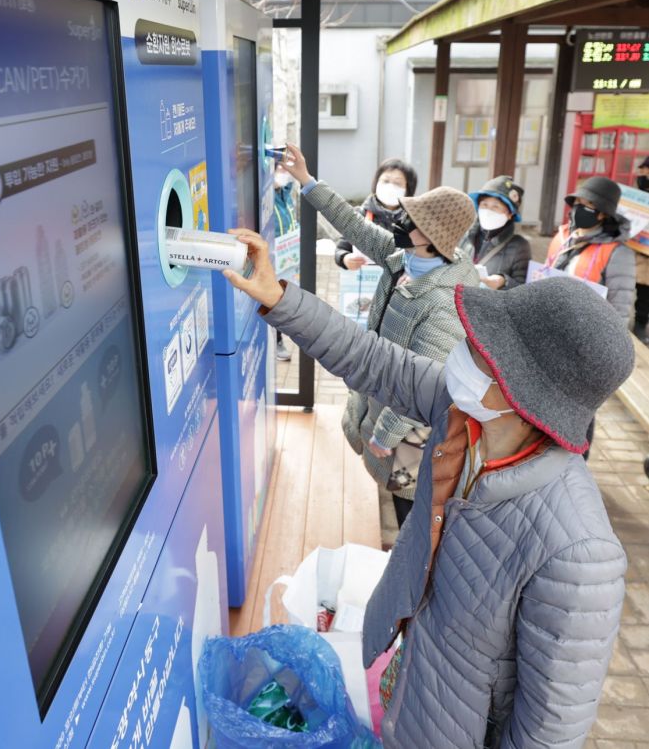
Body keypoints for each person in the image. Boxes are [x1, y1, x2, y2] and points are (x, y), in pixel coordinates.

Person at [224, 228, 633, 749]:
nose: (465, 351)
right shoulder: (462, 413)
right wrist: (280, 298)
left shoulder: (581, 552)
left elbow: (552, 728)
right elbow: (371, 359)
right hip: (405, 675)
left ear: (525, 391)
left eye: (485, 350)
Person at [287, 143, 478, 529]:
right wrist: (306, 181)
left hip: (414, 427)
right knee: (395, 492)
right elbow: (353, 225)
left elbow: (423, 383)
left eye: (413, 219)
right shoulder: (403, 256)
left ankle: (413, 569)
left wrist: (386, 435)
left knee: (412, 502)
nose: (403, 221)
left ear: (434, 237)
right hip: (386, 394)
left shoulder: (444, 303)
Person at [546, 175, 636, 324]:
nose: (577, 209)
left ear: (602, 214)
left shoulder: (619, 253)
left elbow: (620, 309)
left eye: (586, 204)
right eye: (576, 202)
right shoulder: (562, 236)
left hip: (586, 331)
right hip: (550, 322)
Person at [334, 159, 417, 270]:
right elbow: (341, 249)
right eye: (385, 181)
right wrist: (345, 258)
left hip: (402, 284)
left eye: (397, 183)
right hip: (364, 282)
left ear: (408, 189)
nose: (390, 187)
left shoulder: (415, 220)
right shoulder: (359, 215)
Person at [460, 175, 531, 289]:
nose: (488, 211)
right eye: (484, 205)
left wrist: (503, 282)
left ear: (510, 214)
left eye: (495, 207)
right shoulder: (465, 234)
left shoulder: (519, 246)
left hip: (490, 304)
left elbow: (523, 288)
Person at [273, 163, 299, 361]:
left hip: (286, 260)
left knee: (283, 298)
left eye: (285, 170)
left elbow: (292, 223)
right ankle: (277, 340)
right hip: (271, 261)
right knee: (274, 301)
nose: (283, 174)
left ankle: (278, 337)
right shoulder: (264, 196)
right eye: (278, 169)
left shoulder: (286, 194)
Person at [633, 156, 649, 344]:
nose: (643, 174)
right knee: (641, 293)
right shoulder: (637, 194)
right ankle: (639, 324)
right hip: (636, 252)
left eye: (646, 170)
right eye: (642, 170)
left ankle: (641, 325)